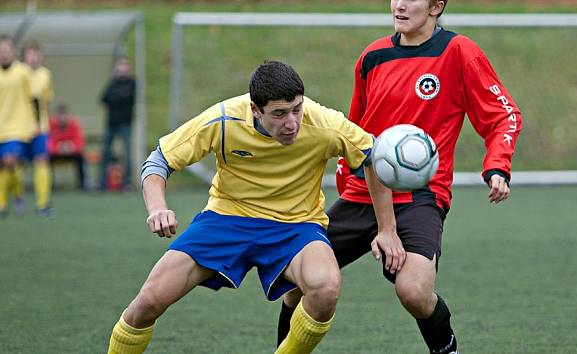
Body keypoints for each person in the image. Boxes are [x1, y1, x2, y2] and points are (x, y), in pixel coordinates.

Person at [106, 60, 401, 354]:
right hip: (226, 219)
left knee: (325, 289)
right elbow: (158, 161)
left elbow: (372, 157)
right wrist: (157, 207)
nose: (292, 122)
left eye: (297, 109)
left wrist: (387, 229)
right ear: (255, 110)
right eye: (279, 114)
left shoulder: (324, 123)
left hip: (296, 226)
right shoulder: (224, 119)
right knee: (148, 302)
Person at [276, 1, 522, 353]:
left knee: (415, 292)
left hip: (419, 196)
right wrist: (351, 188)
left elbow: (504, 115)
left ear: (436, 5)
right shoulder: (373, 56)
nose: (399, 4)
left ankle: (446, 348)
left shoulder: (459, 52)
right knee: (294, 284)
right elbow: (354, 129)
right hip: (364, 193)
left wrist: (497, 166)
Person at [0, 35, 37, 218]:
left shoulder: (22, 72)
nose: (3, 53)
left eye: (6, 49)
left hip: (17, 127)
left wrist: (35, 122)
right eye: (1, 50)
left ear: (13, 51)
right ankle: (16, 194)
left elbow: (34, 98)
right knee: (5, 167)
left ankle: (4, 203)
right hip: (1, 126)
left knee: (10, 160)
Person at [19, 40, 55, 216]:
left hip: (40, 127)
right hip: (18, 127)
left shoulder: (45, 74)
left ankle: (42, 204)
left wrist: (44, 123)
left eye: (36, 53)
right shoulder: (19, 73)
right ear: (24, 56)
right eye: (30, 53)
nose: (33, 57)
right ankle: (15, 197)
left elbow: (45, 101)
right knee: (11, 163)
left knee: (41, 161)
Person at [99, 56, 135, 191]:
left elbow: (126, 97)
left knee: (127, 153)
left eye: (125, 65)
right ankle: (102, 183)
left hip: (125, 123)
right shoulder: (113, 83)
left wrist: (116, 97)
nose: (122, 68)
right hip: (111, 123)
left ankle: (127, 183)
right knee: (105, 152)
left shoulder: (132, 83)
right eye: (120, 65)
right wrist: (117, 97)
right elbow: (104, 98)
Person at [48, 104, 87, 190]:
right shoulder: (51, 125)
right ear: (56, 116)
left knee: (80, 157)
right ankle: (49, 184)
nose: (62, 119)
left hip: (71, 152)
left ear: (69, 116)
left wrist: (71, 146)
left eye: (65, 115)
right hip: (55, 153)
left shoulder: (74, 125)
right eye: (60, 116)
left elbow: (80, 141)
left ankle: (82, 184)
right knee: (46, 158)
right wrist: (57, 147)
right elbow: (47, 141)